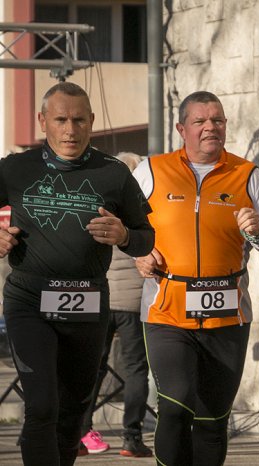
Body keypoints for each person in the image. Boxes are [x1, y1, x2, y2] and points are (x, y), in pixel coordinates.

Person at [0, 82, 154, 465]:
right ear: (42, 121)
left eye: (79, 120)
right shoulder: (15, 168)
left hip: (88, 304)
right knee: (42, 405)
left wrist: (124, 235)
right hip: (29, 301)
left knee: (72, 413)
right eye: (61, 120)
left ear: (92, 121)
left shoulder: (114, 173)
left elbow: (146, 239)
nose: (70, 130)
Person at [133, 91, 259, 466]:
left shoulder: (248, 175)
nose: (210, 127)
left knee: (213, 420)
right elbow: (122, 224)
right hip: (167, 312)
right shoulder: (151, 170)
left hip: (228, 318)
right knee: (176, 403)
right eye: (200, 121)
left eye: (217, 120)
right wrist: (138, 252)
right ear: (181, 128)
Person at [78, 152, 152, 458]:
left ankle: (80, 433)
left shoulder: (98, 204)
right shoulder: (143, 207)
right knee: (136, 369)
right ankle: (131, 437)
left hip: (101, 299)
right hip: (133, 302)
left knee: (91, 367)